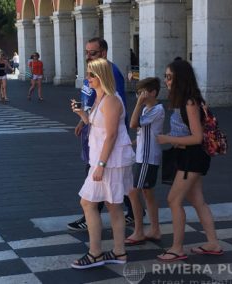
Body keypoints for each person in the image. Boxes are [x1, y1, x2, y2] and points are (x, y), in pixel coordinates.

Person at [67, 37, 137, 232]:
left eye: (93, 53)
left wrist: (111, 144)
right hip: (95, 129)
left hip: (106, 139)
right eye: (87, 52)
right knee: (115, 185)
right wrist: (83, 118)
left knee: (107, 184)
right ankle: (131, 215)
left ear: (104, 53)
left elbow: (114, 110)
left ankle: (95, 220)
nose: (88, 56)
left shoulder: (110, 73)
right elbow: (95, 103)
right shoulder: (93, 71)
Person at [156, 59, 223, 261]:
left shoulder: (189, 102)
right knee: (197, 200)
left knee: (173, 200)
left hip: (191, 158)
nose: (166, 81)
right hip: (190, 156)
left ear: (180, 79)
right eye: (165, 77)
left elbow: (196, 137)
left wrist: (168, 139)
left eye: (169, 77)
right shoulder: (185, 100)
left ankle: (177, 248)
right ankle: (213, 243)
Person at [71, 58, 134, 269]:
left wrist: (100, 165)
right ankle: (118, 251)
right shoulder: (101, 98)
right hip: (105, 159)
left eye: (90, 75)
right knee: (112, 206)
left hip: (110, 161)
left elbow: (112, 135)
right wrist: (82, 115)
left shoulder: (111, 101)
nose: (87, 79)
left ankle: (96, 252)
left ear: (100, 77)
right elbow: (98, 126)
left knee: (89, 203)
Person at [125, 77, 164, 246]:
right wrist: (134, 142)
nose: (139, 95)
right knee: (147, 193)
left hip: (147, 158)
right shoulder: (148, 109)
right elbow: (143, 132)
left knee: (134, 192)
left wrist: (138, 104)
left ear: (153, 93)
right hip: (144, 156)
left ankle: (139, 231)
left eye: (142, 92)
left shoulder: (156, 109)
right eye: (138, 92)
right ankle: (155, 229)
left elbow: (133, 124)